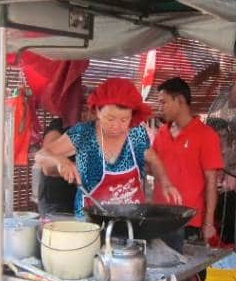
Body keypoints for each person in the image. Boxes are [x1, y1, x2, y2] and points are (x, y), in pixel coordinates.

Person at [35, 78, 181, 215]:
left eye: (124, 119)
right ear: (97, 111)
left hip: (132, 220)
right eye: (110, 119)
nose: (116, 126)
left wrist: (166, 183)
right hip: (90, 223)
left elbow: (154, 160)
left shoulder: (136, 133)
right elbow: (41, 155)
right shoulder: (83, 133)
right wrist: (60, 161)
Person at [151, 77, 224, 244]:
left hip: (188, 220)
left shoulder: (206, 135)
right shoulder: (161, 132)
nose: (159, 107)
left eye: (164, 102)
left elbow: (211, 182)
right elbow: (153, 168)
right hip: (158, 217)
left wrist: (209, 222)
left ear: (180, 101)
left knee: (186, 268)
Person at [37, 118, 77, 215]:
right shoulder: (60, 126)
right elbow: (47, 167)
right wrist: (62, 162)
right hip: (56, 200)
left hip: (79, 200)